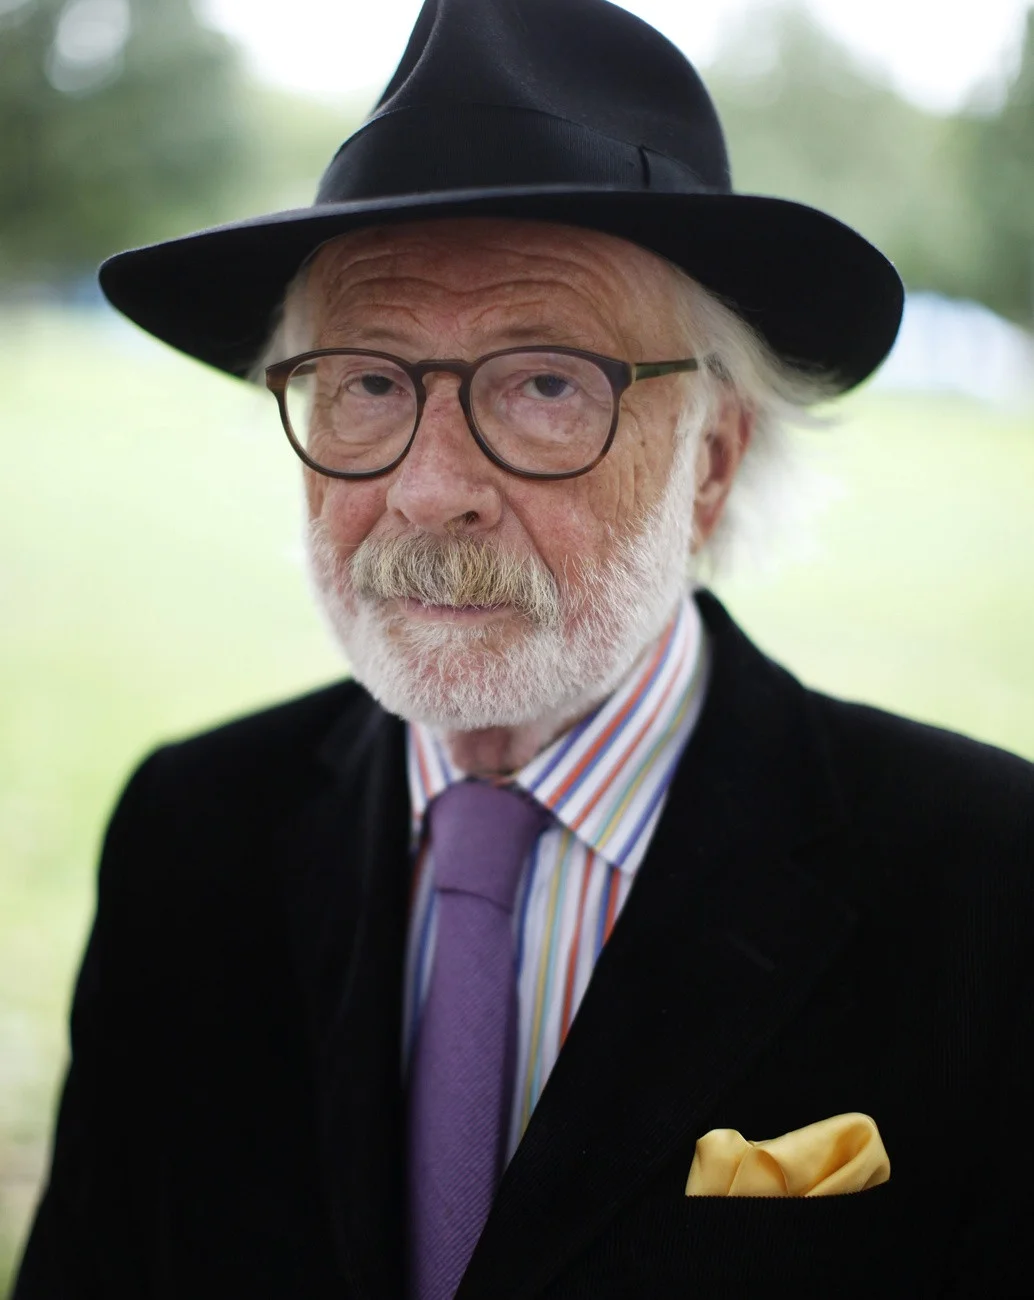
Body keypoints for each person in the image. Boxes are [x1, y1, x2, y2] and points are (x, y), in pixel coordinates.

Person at [14, 1, 1032, 1297]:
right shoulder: (189, 830)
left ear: (710, 461)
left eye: (548, 382)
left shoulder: (985, 881)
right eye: (367, 381)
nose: (431, 489)